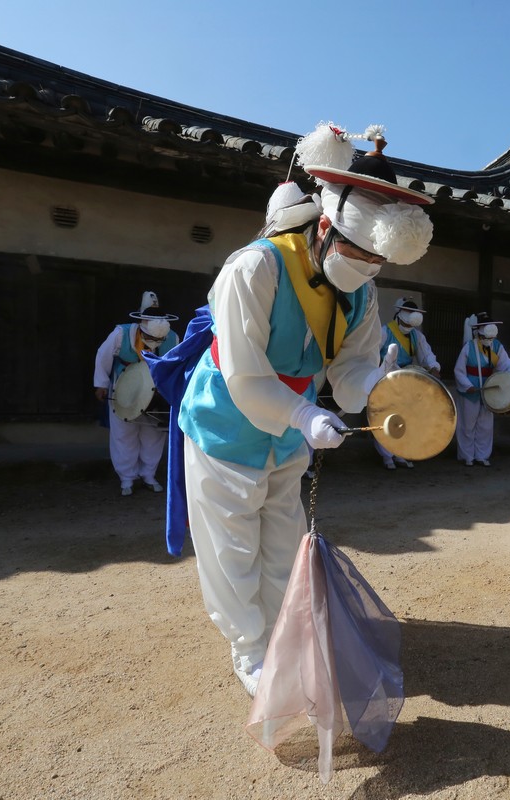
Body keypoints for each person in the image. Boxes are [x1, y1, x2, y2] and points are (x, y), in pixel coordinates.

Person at [177, 122, 433, 697]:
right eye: (358, 254)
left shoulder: (362, 291)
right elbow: (245, 373)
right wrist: (302, 415)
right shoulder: (255, 268)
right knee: (231, 544)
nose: (367, 270)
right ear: (324, 226)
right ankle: (250, 649)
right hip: (227, 421)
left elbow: (347, 370)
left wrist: (375, 383)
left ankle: (283, 636)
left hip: (291, 432)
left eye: (377, 263)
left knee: (284, 539)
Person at [93, 292, 180, 496]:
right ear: (142, 325)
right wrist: (101, 384)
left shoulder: (173, 338)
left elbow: (176, 366)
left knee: (154, 434)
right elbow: (102, 356)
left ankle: (149, 475)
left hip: (156, 393)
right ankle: (126, 478)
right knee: (124, 434)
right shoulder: (121, 334)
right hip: (124, 387)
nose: (156, 342)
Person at [375, 296, 440, 469]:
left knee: (404, 418)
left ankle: (400, 453)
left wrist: (433, 367)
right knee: (385, 417)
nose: (408, 328)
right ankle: (387, 457)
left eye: (411, 325)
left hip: (406, 381)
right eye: (406, 324)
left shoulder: (416, 336)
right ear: (398, 315)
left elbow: (426, 354)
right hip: (386, 378)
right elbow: (371, 353)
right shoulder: (384, 331)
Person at [453, 312, 510, 467]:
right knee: (467, 424)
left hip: (489, 388)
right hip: (471, 390)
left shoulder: (497, 347)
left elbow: (507, 364)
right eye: (486, 338)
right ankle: (467, 456)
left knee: (485, 425)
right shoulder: (469, 347)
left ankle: (482, 455)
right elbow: (459, 370)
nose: (489, 341)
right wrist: (467, 385)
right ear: (478, 333)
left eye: (491, 338)